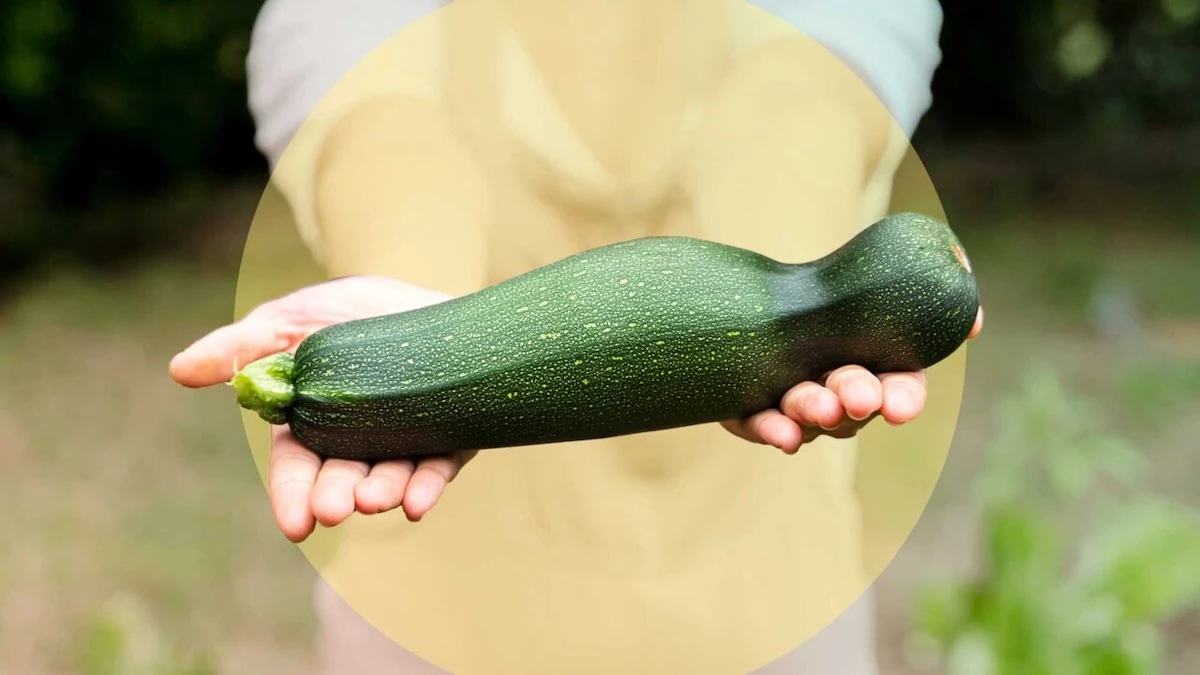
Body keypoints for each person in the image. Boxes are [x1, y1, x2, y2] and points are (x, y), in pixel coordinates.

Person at [170, 0, 981, 672]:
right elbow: (382, 120)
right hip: (450, 622)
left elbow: (808, 90)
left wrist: (790, 319)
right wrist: (409, 317)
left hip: (768, 609)